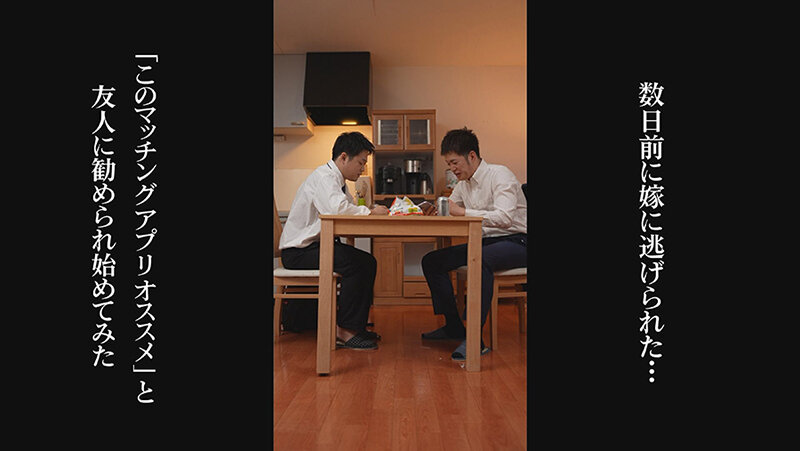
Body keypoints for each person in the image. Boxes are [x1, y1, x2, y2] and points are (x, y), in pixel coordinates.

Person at [421, 127, 527, 360]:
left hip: (518, 241)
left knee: (480, 259)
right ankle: (453, 326)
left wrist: (463, 212)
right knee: (432, 261)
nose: (452, 169)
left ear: (471, 155)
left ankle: (474, 339)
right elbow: (451, 208)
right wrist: (436, 210)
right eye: (449, 164)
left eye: (455, 162)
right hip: (486, 241)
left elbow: (505, 218)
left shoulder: (500, 175)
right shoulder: (463, 183)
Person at [279, 131, 389, 350]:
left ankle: (354, 327)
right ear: (344, 157)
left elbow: (346, 210)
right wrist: (370, 212)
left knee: (366, 262)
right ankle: (345, 331)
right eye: (361, 162)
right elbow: (337, 210)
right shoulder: (325, 177)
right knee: (360, 264)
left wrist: (368, 211)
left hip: (312, 248)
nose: (362, 168)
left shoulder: (338, 181)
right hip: (298, 253)